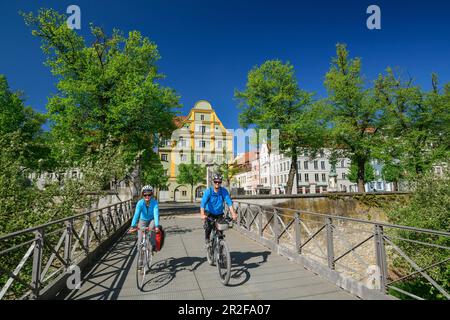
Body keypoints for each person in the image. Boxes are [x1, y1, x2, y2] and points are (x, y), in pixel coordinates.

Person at [200, 173, 237, 248]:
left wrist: (233, 213)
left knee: (220, 231)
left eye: (219, 182)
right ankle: (207, 240)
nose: (217, 183)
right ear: (213, 182)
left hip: (219, 213)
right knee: (209, 227)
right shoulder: (209, 191)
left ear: (221, 182)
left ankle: (220, 248)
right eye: (216, 182)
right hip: (209, 213)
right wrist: (202, 214)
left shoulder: (223, 191)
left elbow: (229, 202)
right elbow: (203, 203)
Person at [129, 185, 160, 255]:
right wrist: (132, 226)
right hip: (142, 220)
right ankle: (140, 252)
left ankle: (152, 245)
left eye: (149, 194)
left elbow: (156, 214)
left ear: (152, 194)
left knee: (152, 228)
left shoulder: (154, 203)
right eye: (145, 194)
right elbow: (136, 215)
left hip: (152, 219)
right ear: (142, 194)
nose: (147, 196)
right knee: (140, 237)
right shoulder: (140, 203)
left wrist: (157, 226)